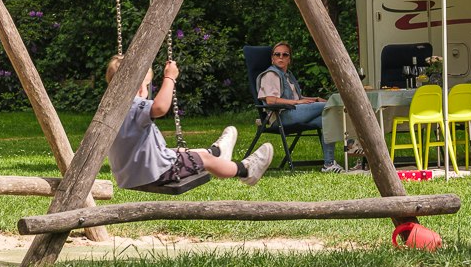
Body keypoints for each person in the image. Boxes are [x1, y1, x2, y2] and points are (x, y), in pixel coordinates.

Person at [111, 56, 271, 191]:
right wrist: (170, 78)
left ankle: (216, 152)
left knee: (174, 151)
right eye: (146, 85)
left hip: (129, 174)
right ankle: (245, 170)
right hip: (154, 173)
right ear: (139, 87)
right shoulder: (134, 104)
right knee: (204, 159)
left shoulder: (109, 108)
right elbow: (160, 107)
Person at [256, 41, 342, 172]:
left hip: (294, 112)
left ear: (289, 59)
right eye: (277, 54)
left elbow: (296, 98)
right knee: (329, 106)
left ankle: (329, 164)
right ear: (272, 59)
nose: (281, 57)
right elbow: (270, 100)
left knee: (328, 119)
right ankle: (352, 144)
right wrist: (296, 103)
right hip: (281, 116)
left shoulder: (288, 76)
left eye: (285, 55)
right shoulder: (271, 75)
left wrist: (314, 99)